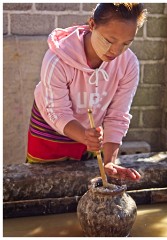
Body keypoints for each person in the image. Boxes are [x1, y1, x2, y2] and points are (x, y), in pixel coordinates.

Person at [26, 3, 147, 181]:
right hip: (50, 127)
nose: (116, 51)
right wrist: (84, 136)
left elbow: (117, 115)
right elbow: (57, 111)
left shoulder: (128, 64)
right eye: (109, 40)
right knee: (42, 184)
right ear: (92, 24)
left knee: (86, 186)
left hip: (92, 133)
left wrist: (109, 162)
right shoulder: (57, 60)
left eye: (126, 44)